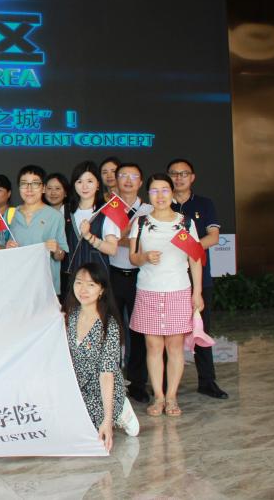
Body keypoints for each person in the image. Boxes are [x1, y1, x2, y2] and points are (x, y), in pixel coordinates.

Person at [128, 173, 204, 418]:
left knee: (174, 346)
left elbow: (195, 259)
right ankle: (158, 396)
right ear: (148, 194)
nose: (159, 195)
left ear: (172, 193)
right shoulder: (141, 222)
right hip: (148, 290)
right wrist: (144, 257)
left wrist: (197, 292)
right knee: (153, 346)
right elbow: (133, 257)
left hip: (178, 290)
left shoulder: (185, 223)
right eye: (154, 191)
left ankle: (171, 396)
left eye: (164, 190)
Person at [64, 261, 139, 452]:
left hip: (102, 387)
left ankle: (119, 410)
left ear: (101, 290)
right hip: (77, 386)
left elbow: (106, 374)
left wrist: (107, 419)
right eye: (79, 282)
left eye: (91, 284)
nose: (83, 289)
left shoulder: (109, 326)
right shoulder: (69, 316)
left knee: (88, 427)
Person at [168, 158, 228, 400]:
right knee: (167, 332)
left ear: (192, 177)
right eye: (174, 174)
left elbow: (213, 237)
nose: (179, 178)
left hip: (199, 277)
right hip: (169, 279)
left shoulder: (204, 204)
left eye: (184, 173)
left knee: (201, 330)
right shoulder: (162, 204)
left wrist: (188, 249)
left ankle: (207, 382)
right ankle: (166, 385)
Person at [108, 162, 153, 404]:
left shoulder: (149, 209)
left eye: (133, 176)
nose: (127, 180)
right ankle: (112, 382)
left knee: (138, 331)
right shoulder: (108, 208)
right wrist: (129, 240)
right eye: (123, 175)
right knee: (111, 331)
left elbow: (147, 244)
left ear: (141, 182)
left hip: (140, 276)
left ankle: (137, 383)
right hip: (112, 275)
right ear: (115, 180)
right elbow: (105, 241)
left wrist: (120, 239)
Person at [0, 165, 68, 294]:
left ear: (43, 188)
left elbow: (61, 256)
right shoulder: (10, 214)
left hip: (45, 287)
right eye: (24, 184)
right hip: (16, 284)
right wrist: (5, 248)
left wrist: (57, 249)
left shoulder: (55, 217)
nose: (29, 189)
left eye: (35, 183)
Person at [62, 161, 120, 298]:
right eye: (79, 181)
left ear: (98, 184)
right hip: (72, 279)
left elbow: (112, 249)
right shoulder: (65, 210)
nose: (84, 186)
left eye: (89, 181)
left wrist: (89, 236)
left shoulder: (108, 211)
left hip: (97, 280)